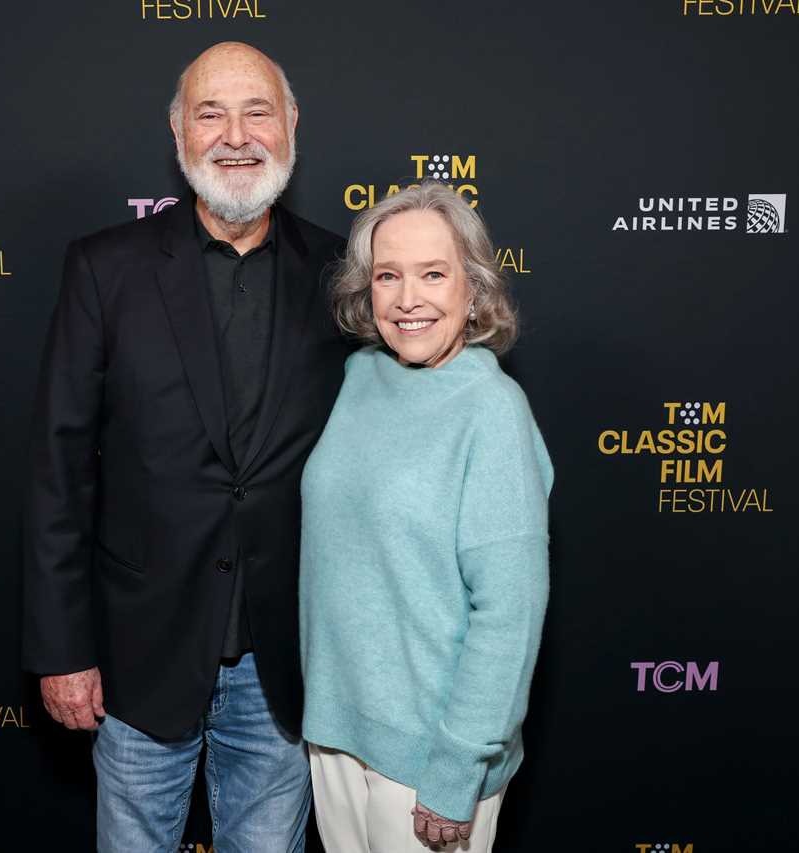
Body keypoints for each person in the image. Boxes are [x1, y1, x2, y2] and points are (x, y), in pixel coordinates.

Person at [21, 41, 349, 852]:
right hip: (139, 657)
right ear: (178, 135)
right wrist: (63, 648)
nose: (236, 134)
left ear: (292, 125)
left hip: (286, 663)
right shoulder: (106, 269)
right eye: (211, 113)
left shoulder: (345, 271)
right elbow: (58, 471)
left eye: (257, 111)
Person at [299, 182, 553, 851]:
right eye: (389, 275)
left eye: (433, 274)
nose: (408, 299)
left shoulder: (492, 412)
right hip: (335, 737)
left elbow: (510, 612)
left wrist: (455, 770)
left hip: (429, 762)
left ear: (472, 288)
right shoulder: (357, 379)